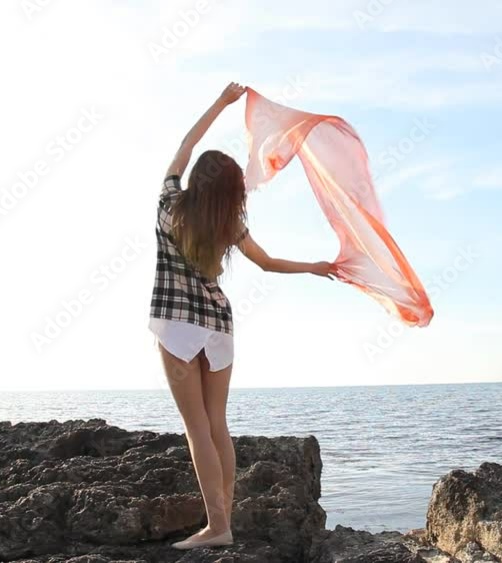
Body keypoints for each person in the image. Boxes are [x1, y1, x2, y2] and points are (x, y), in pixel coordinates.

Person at [150, 81, 332, 550]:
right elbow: (268, 263)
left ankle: (217, 527)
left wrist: (221, 102)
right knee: (218, 424)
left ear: (196, 181)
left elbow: (185, 146)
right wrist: (315, 266)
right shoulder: (230, 224)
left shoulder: (169, 207)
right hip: (218, 327)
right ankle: (222, 521)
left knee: (197, 429)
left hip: (176, 325)